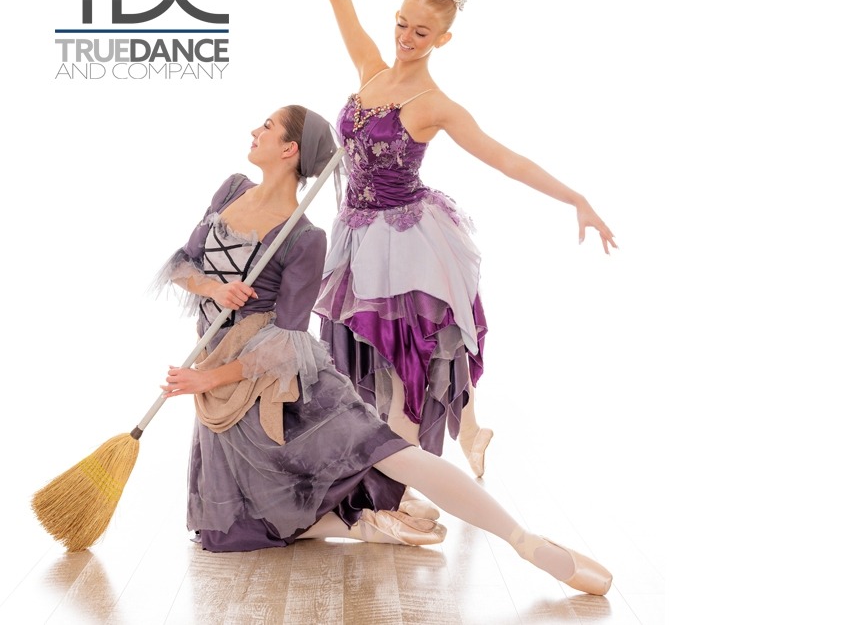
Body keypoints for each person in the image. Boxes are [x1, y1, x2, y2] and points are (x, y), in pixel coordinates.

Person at [154, 105, 612, 596]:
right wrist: (213, 289)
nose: (253, 130)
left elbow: (287, 342)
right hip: (218, 378)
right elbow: (182, 262)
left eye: (266, 126)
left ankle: (525, 542)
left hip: (274, 384)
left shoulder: (306, 238)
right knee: (222, 534)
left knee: (390, 452)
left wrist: (208, 380)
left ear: (289, 150)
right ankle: (365, 526)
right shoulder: (230, 189)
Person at [270, 0, 618, 488]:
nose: (407, 36)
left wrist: (577, 199)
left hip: (405, 241)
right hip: (356, 235)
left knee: (407, 368)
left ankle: (411, 487)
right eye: (402, 23)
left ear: (442, 40)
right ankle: (434, 452)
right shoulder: (372, 70)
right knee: (368, 368)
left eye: (421, 32)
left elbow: (505, 158)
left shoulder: (435, 106)